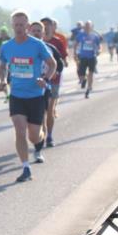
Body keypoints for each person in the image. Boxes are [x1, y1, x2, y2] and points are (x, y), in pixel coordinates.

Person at [0, 11, 56, 182]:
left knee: (34, 136)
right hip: (17, 95)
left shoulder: (37, 45)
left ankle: (41, 138)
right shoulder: (7, 46)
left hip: (36, 95)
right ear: (12, 25)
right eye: (16, 25)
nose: (19, 28)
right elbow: (1, 65)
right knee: (19, 130)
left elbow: (52, 64)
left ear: (28, 26)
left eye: (22, 25)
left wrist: (45, 79)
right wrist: (2, 80)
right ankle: (25, 167)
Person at [39, 18, 67, 147]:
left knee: (49, 109)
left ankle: (49, 135)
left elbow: (60, 62)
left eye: (48, 25)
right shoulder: (33, 44)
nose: (46, 28)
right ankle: (42, 132)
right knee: (41, 111)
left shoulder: (56, 43)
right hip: (38, 82)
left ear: (52, 27)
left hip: (53, 81)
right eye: (43, 26)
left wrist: (55, 72)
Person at [74, 20, 102, 98]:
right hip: (83, 57)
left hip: (92, 57)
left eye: (88, 26)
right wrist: (75, 53)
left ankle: (89, 88)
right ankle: (84, 80)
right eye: (86, 26)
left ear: (91, 27)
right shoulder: (80, 35)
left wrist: (99, 50)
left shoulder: (95, 36)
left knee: (91, 73)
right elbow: (76, 44)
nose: (87, 27)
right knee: (81, 74)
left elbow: (99, 45)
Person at [0, 26, 13, 101]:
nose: (3, 34)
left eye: (4, 32)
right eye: (1, 32)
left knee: (10, 78)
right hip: (1, 60)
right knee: (2, 79)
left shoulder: (10, 40)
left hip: (10, 60)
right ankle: (7, 94)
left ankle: (12, 93)